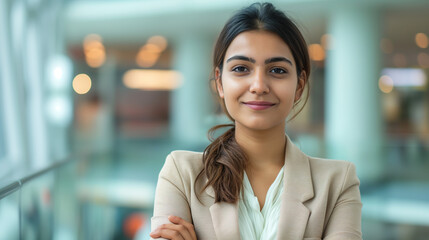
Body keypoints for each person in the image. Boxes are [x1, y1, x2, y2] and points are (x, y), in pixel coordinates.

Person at [150, 2, 362, 240]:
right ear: (220, 82)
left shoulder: (338, 182)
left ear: (300, 85)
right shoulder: (181, 174)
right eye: (241, 68)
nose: (259, 86)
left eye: (278, 70)